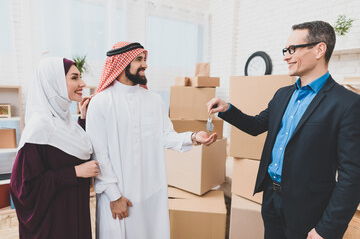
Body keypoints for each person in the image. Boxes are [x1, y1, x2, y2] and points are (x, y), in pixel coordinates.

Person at [207, 21, 360, 239]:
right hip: (272, 199)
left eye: (292, 49)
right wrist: (227, 109)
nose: (286, 56)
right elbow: (256, 125)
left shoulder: (347, 103)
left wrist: (326, 230)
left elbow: (352, 176)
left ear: (319, 49)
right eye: (285, 50)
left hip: (309, 210)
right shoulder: (282, 94)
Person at [86, 41, 217, 239]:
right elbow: (99, 154)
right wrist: (114, 196)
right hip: (120, 196)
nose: (145, 65)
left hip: (151, 194)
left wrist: (194, 137)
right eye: (139, 59)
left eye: (145, 60)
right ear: (121, 63)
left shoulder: (154, 100)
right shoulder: (101, 102)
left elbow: (165, 136)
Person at [10, 57, 99, 239]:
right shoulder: (39, 129)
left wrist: (82, 118)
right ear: (54, 83)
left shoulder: (66, 123)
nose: (82, 83)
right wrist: (74, 172)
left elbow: (67, 150)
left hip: (73, 216)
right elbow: (23, 189)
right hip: (53, 225)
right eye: (74, 78)